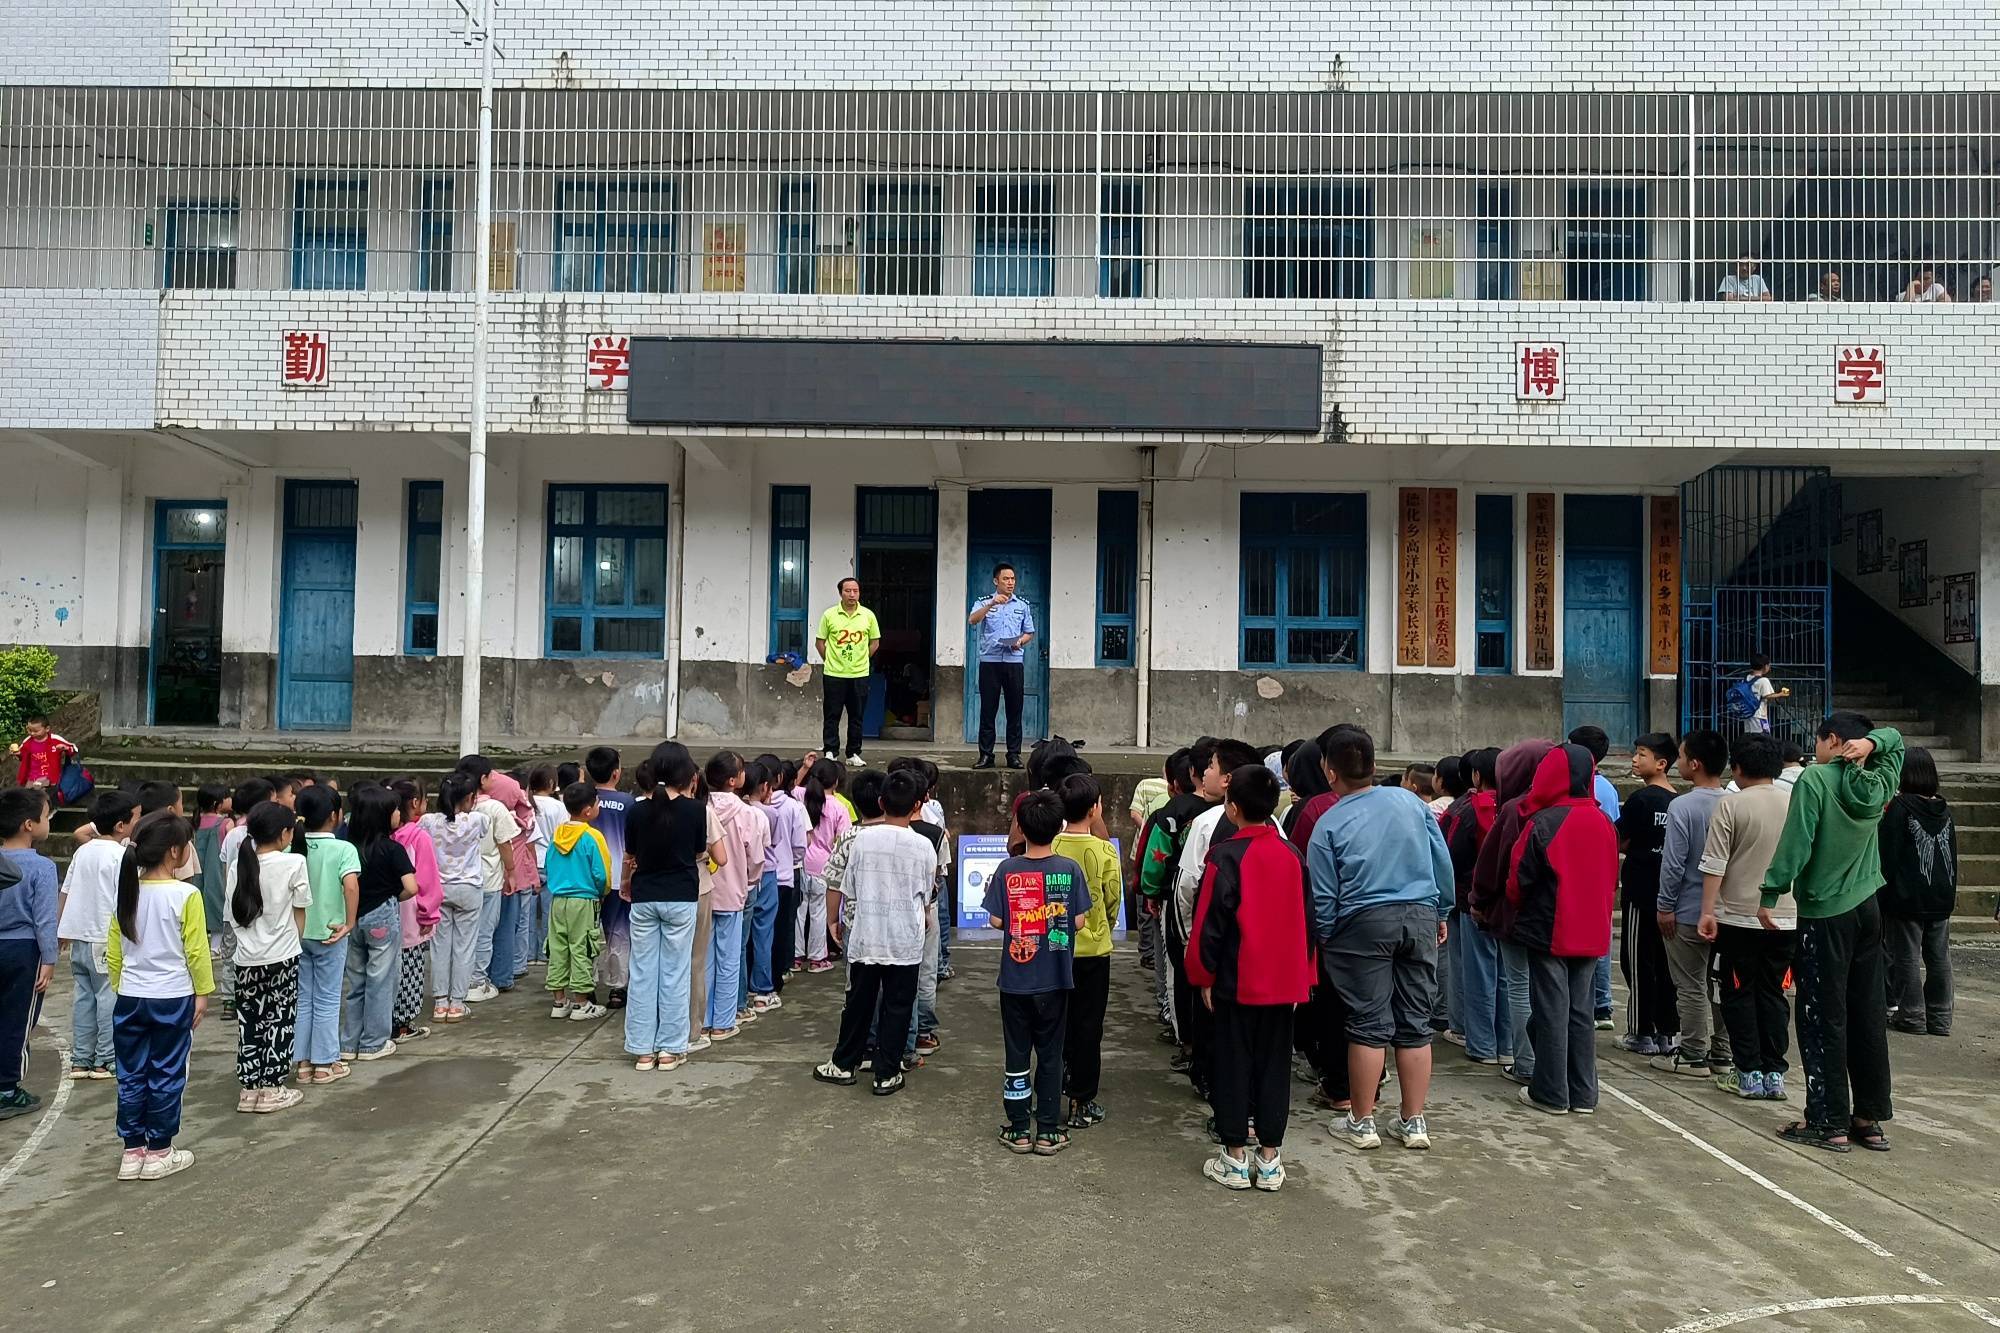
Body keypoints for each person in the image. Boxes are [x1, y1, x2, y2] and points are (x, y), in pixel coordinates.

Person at [1760, 712, 1903, 1153]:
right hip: (1867, 906)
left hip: (1825, 912)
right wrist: (1872, 746)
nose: (1814, 749)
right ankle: (1869, 1117)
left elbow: (1797, 842)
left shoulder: (1816, 780)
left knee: (1822, 1016)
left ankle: (1828, 1120)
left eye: (1820, 740)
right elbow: (1896, 741)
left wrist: (1771, 891)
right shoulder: (1881, 779)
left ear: (1834, 741)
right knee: (1867, 1012)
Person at [1309, 726, 1453, 1152]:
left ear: (1330, 772)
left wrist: (1330, 935)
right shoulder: (1411, 803)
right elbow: (1439, 859)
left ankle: (1362, 1120)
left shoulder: (1328, 822)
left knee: (1368, 1025)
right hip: (1420, 915)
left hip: (1362, 923)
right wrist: (1440, 910)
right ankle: (1413, 1121)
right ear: (1374, 766)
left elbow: (1324, 895)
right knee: (1415, 1024)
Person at [1186, 764, 1313, 1190]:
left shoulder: (1224, 857)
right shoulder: (1292, 855)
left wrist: (1202, 975)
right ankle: (1271, 1158)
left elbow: (1209, 924)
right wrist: (1304, 977)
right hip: (1284, 982)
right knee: (1275, 1065)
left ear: (1232, 807)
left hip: (1237, 981)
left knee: (1233, 1062)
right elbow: (1308, 922)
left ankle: (1235, 1155)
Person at [1505, 744, 1617, 1116]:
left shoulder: (1543, 822)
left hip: (1551, 926)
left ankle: (1551, 1091)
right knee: (1581, 1011)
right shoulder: (1603, 821)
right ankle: (1583, 1092)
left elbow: (1517, 880)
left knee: (1551, 1009)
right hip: (1591, 928)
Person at [814, 768, 935, 1096]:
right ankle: (887, 1072)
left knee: (858, 1002)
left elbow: (848, 886)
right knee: (897, 1006)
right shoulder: (924, 845)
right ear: (916, 806)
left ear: (882, 802)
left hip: (867, 934)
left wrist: (835, 921)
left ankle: (843, 1063)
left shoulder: (861, 840)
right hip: (905, 938)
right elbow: (927, 893)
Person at [105, 811, 212, 1180]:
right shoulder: (186, 895)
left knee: (130, 1072)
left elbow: (114, 949)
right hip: (172, 996)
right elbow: (196, 951)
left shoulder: (128, 891)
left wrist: (122, 984)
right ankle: (160, 1149)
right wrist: (203, 992)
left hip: (131, 996)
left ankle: (132, 1150)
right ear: (173, 851)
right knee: (167, 1072)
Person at [984, 789, 1088, 1155]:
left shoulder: (1007, 869)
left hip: (1014, 980)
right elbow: (1077, 920)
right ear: (1059, 826)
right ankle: (1047, 1129)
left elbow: (996, 919)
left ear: (1020, 828)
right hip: (1056, 979)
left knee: (1016, 1054)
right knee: (1050, 1053)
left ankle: (1017, 1128)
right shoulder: (1069, 870)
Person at [1696, 732, 1797, 1101]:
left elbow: (1715, 863)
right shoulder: (1794, 803)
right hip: (1786, 918)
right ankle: (1775, 1072)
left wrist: (1707, 911)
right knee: (1774, 993)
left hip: (1737, 917)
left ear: (1736, 767)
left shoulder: (1731, 805)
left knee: (1737, 993)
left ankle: (1748, 1071)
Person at [625, 743, 725, 1072]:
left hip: (645, 896)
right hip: (681, 896)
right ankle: (670, 1049)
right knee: (675, 973)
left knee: (642, 973)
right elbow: (699, 853)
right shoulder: (696, 811)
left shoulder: (637, 810)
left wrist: (627, 882)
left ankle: (642, 1049)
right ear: (687, 774)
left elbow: (631, 856)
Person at [1470, 739, 1555, 1089]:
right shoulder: (1565, 807)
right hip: (1555, 914)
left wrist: (1478, 901)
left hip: (1515, 912)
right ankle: (1550, 1064)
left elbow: (1493, 864)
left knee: (1518, 987)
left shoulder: (1515, 810)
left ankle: (1526, 1063)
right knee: (1551, 991)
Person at [1653, 729, 1732, 1079]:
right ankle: (1724, 1052)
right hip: (1727, 910)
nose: (1678, 762)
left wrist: (1664, 905)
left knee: (1690, 983)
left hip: (1687, 909)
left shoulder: (1681, 806)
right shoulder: (1733, 803)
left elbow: (1673, 863)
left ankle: (1693, 1053)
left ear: (1695, 764)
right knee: (1724, 984)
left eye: (1682, 757)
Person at [227, 801, 310, 1115]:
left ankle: (249, 1089)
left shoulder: (240, 864)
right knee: (280, 1020)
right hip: (283, 954)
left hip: (246, 958)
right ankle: (273, 1088)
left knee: (249, 1021)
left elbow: (232, 915)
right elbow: (300, 908)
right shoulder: (294, 863)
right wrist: (294, 939)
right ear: (285, 833)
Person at [57, 790, 139, 1081]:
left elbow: (65, 891)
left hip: (78, 934)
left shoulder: (83, 851)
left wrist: (60, 929)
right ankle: (105, 1060)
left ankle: (81, 1059)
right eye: (135, 818)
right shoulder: (121, 855)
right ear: (120, 826)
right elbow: (127, 898)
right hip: (104, 935)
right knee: (108, 996)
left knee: (84, 996)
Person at [1054, 771, 1119, 1130]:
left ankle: (1057, 1082)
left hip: (1055, 948)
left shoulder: (1051, 847)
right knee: (1089, 1026)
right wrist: (1103, 925)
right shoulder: (1105, 850)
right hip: (1094, 951)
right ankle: (1083, 1100)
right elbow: (1113, 900)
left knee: (1057, 1021)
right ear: (1096, 809)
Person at [1877, 746, 1957, 1037]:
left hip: (1907, 898)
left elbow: (1889, 855)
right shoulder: (1942, 808)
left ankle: (1912, 1015)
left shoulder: (1901, 807)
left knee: (1906, 957)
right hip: (1940, 896)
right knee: (1939, 958)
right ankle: (1941, 1017)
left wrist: (1882, 895)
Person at [338, 785, 415, 1064]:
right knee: (381, 980)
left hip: (352, 918)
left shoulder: (346, 847)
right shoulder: (392, 849)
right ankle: (373, 1042)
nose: (398, 813)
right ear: (383, 816)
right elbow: (411, 886)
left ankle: (349, 1042)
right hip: (381, 915)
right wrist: (393, 896)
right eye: (394, 809)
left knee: (356, 981)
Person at [1615, 734, 1681, 1056]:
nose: (1634, 760)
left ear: (1661, 763)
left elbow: (1620, 841)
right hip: (1671, 895)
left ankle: (1641, 1032)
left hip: (1641, 891)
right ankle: (1669, 1031)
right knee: (1666, 964)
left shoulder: (1641, 801)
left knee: (1637, 961)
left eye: (1641, 754)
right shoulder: (1678, 801)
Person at [0, 787, 58, 1120]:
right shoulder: (41, 867)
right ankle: (7, 1090)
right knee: (18, 1020)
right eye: (46, 814)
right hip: (24, 950)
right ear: (28, 824)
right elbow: (45, 918)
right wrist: (49, 959)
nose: (49, 820)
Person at [702, 752, 768, 1042]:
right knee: (729, 956)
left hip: (704, 889)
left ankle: (703, 1019)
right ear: (734, 780)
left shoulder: (700, 807)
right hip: (733, 891)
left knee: (704, 958)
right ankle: (723, 1021)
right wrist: (750, 880)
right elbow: (756, 857)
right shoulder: (746, 814)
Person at [294, 787, 356, 1085]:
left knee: (304, 997)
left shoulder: (290, 846)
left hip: (297, 932)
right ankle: (325, 1061)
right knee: (328, 998)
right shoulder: (344, 849)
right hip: (332, 931)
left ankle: (303, 1062)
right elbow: (351, 886)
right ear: (334, 815)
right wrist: (350, 922)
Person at [421, 773, 487, 1025]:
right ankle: (457, 1003)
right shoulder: (477, 820)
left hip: (439, 889)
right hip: (469, 888)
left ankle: (440, 1003)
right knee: (465, 946)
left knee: (439, 947)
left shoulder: (429, 821)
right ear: (470, 797)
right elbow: (481, 822)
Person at [1566, 724, 1620, 1030]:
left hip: (1579, 872)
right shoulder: (1609, 788)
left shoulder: (1580, 786)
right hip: (1601, 872)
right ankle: (1603, 1005)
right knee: (1600, 940)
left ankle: (1588, 1002)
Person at [544, 781, 611, 1023]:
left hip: (558, 899)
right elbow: (602, 873)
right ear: (588, 811)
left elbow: (549, 865)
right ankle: (582, 1003)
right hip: (584, 900)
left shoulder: (557, 834)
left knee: (558, 948)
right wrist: (601, 892)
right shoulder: (592, 836)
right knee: (582, 948)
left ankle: (559, 1001)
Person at [456, 757, 521, 1002]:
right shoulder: (494, 808)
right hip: (488, 878)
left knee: (461, 935)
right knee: (484, 931)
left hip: (457, 879)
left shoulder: (454, 805)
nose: (494, 778)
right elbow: (505, 843)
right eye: (490, 775)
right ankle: (477, 981)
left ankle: (459, 981)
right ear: (482, 780)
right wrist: (511, 871)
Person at [968, 562, 1038, 770]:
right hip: (989, 662)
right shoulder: (983, 602)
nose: (1010, 583)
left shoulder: (1022, 605)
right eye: (1006, 579)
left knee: (1014, 710)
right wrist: (991, 604)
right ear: (995, 581)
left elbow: (1030, 632)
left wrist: (1021, 641)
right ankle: (986, 755)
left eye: (1013, 579)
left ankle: (1014, 755)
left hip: (1013, 663)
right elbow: (972, 620)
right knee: (988, 710)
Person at [388, 778, 441, 1044]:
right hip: (411, 914)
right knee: (411, 969)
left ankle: (383, 1021)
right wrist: (429, 914)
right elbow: (428, 880)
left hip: (385, 913)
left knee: (386, 970)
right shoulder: (419, 837)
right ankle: (403, 1024)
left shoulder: (383, 834)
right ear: (414, 803)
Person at [582, 746, 633, 1008]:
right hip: (618, 879)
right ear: (616, 772)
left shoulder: (583, 801)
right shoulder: (628, 803)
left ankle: (585, 985)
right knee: (619, 934)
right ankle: (617, 988)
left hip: (587, 880)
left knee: (587, 935)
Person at [816, 577, 881, 767]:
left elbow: (875, 642)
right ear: (840, 593)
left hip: (859, 675)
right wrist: (830, 660)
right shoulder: (829, 615)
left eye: (855, 591)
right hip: (834, 674)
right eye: (848, 591)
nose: (852, 594)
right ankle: (830, 751)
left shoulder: (868, 616)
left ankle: (853, 753)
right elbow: (820, 642)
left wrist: (862, 659)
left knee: (857, 716)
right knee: (832, 714)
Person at [796, 757, 848, 974]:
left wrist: (804, 769)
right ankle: (818, 958)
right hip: (824, 867)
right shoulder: (839, 807)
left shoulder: (800, 796)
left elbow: (793, 786)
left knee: (799, 911)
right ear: (835, 782)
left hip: (799, 863)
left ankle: (795, 957)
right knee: (819, 912)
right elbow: (843, 840)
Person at [10, 714, 76, 788]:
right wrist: (18, 754)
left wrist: (66, 748)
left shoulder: (55, 740)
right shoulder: (27, 742)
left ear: (47, 729)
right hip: (32, 776)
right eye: (29, 730)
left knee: (42, 792)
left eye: (36, 731)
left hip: (50, 776)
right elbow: (23, 756)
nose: (32, 733)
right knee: (30, 795)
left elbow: (73, 748)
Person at [1744, 654, 1791, 735]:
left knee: (1750, 738)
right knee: (1762, 738)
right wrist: (1781, 694)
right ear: (1765, 666)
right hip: (1759, 715)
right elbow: (1768, 695)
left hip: (1748, 714)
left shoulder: (1747, 678)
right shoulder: (1763, 680)